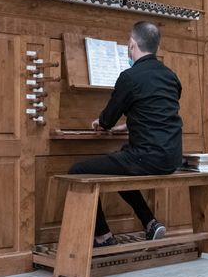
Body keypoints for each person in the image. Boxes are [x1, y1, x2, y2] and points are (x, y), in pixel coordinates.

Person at [69, 21, 183, 247]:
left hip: (147, 158)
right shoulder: (171, 77)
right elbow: (157, 112)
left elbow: (107, 120)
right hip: (171, 157)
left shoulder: (130, 77)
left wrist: (101, 123)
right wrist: (130, 125)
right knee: (123, 157)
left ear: (132, 45)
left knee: (77, 171)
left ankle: (103, 236)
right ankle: (150, 223)